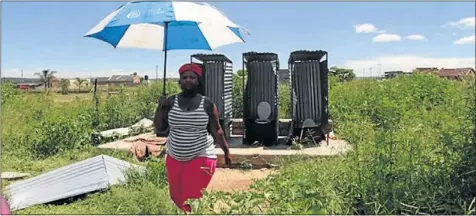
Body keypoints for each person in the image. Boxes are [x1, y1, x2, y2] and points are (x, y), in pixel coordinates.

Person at [153, 63, 232, 213]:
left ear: (198, 81)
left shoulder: (207, 104)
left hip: (201, 154)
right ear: (180, 81)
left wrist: (226, 152)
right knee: (176, 197)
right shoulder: (170, 102)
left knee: (192, 198)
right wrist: (160, 107)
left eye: (192, 77)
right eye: (184, 77)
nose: (188, 80)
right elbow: (159, 128)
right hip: (174, 156)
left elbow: (217, 131)